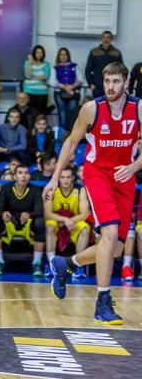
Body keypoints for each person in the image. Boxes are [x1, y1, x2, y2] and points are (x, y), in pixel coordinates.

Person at [43, 62, 142, 325]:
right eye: (107, 81)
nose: (111, 87)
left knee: (116, 249)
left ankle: (66, 264)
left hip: (125, 178)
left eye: (116, 82)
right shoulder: (91, 109)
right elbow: (71, 142)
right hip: (98, 176)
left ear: (126, 83)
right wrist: (54, 178)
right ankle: (103, 302)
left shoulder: (139, 109)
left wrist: (134, 166)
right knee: (108, 234)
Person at [0, 164, 45, 276]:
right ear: (14, 176)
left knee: (40, 222)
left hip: (28, 222)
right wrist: (3, 214)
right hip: (9, 221)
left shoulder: (35, 190)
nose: (24, 176)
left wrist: (29, 214)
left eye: (26, 173)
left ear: (29, 176)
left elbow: (39, 211)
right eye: (20, 173)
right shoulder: (5, 189)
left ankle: (36, 264)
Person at [44, 167, 90, 278]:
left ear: (73, 178)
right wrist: (64, 219)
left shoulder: (80, 190)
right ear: (58, 178)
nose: (65, 180)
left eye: (68, 177)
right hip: (57, 220)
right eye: (62, 177)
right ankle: (51, 263)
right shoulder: (52, 190)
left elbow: (85, 214)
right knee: (49, 226)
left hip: (74, 221)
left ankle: (78, 265)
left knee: (85, 229)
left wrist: (69, 221)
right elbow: (47, 214)